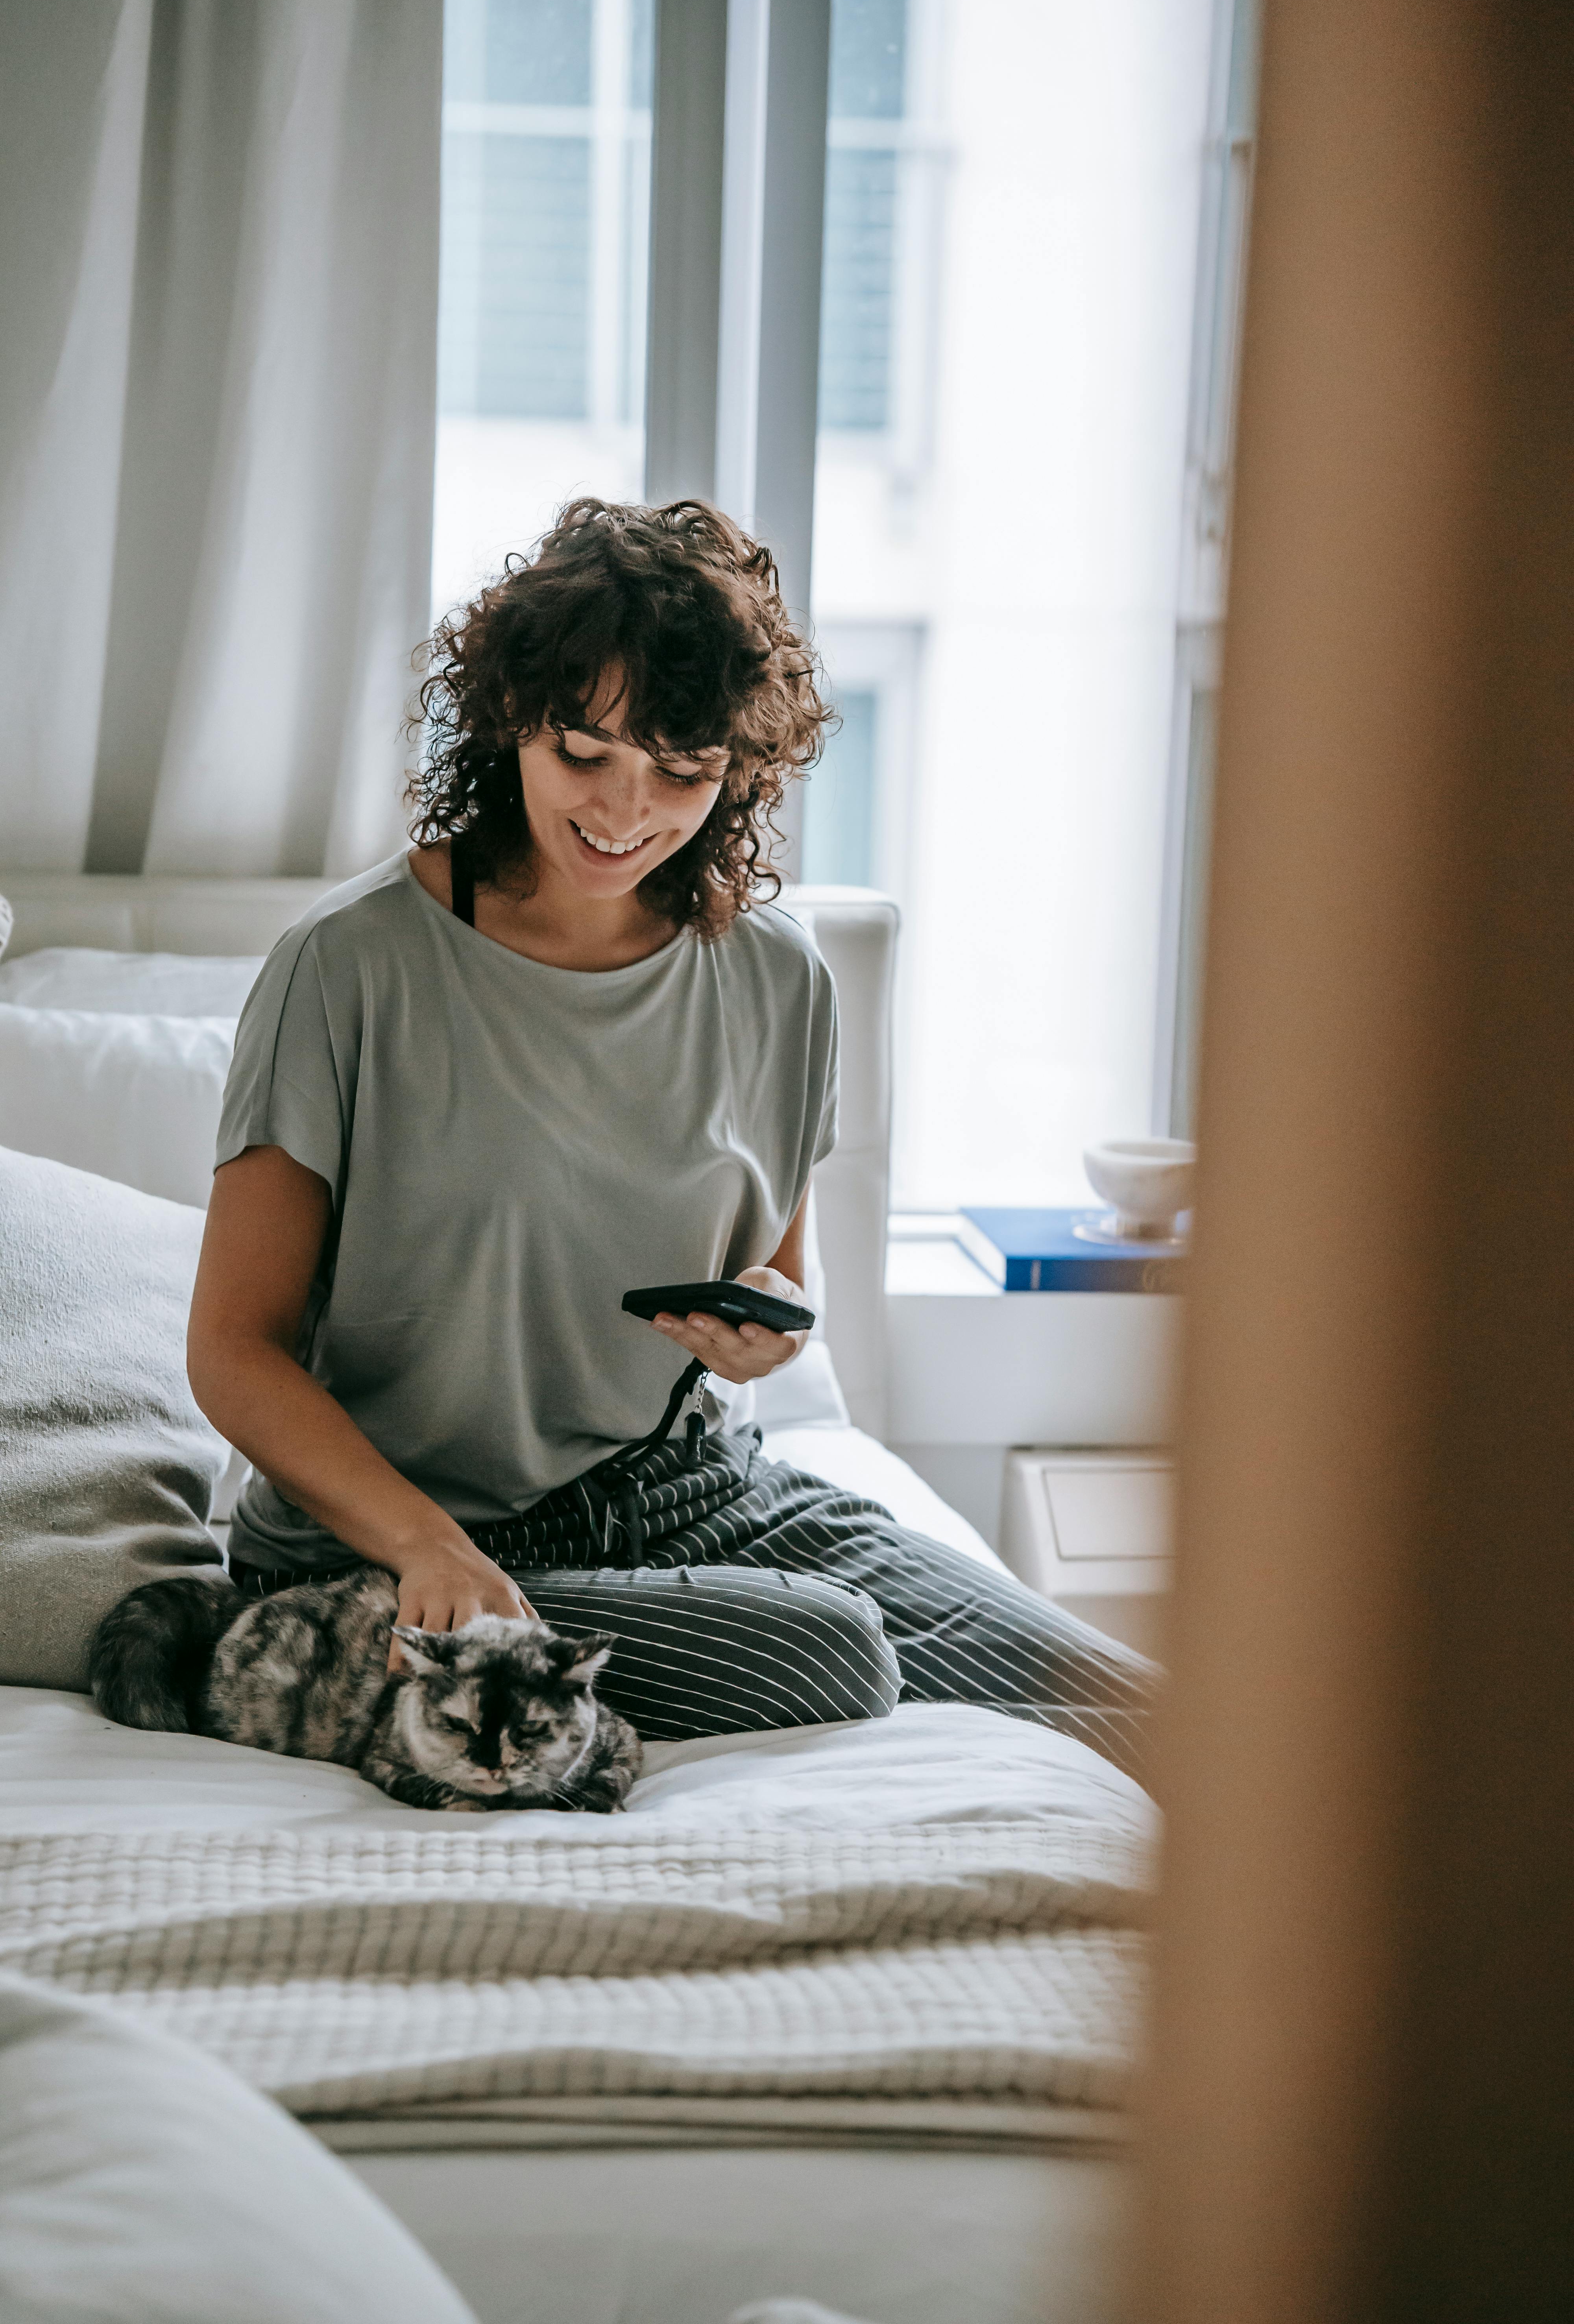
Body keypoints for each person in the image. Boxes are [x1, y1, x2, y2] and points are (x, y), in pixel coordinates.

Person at [190, 498, 1155, 1779]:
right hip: (402, 1537)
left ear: (740, 770)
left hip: (697, 1497)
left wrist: (759, 1328)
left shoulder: (780, 982)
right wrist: (425, 1546)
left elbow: (778, 1284)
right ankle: (350, 1633)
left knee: (1143, 1711)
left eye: (682, 772)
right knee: (833, 1655)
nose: (624, 811)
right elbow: (232, 1350)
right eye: (584, 751)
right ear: (510, 722)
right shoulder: (349, 969)